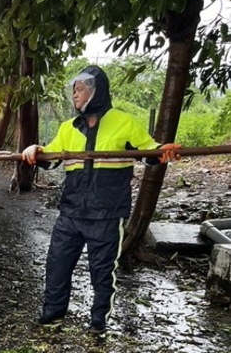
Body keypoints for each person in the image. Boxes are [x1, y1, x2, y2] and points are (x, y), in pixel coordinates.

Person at [22, 65, 181, 335]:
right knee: (57, 265)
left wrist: (162, 151)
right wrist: (34, 149)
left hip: (107, 214)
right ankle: (52, 315)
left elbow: (148, 151)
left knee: (102, 272)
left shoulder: (123, 121)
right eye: (74, 89)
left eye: (81, 88)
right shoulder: (68, 128)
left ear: (96, 91)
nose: (75, 94)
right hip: (71, 213)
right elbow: (49, 158)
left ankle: (98, 323)